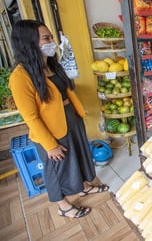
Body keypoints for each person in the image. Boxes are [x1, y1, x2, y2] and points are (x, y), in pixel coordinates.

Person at [8, 20, 109, 219]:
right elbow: (31, 116)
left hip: (70, 119)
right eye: (46, 38)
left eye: (51, 37)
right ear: (29, 42)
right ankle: (63, 206)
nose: (52, 41)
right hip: (51, 130)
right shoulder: (20, 76)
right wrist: (49, 145)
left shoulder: (50, 64)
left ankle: (83, 187)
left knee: (78, 156)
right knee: (56, 168)